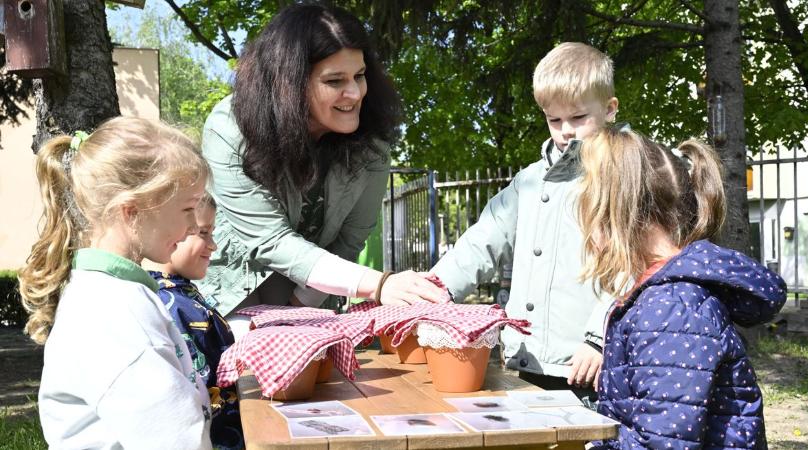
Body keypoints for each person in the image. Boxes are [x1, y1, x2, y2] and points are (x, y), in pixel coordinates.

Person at [198, 3, 448, 335]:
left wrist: (299, 310)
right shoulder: (229, 129)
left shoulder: (372, 146)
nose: (355, 93)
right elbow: (270, 241)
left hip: (313, 305)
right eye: (335, 80)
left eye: (359, 76)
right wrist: (378, 284)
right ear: (289, 84)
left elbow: (350, 239)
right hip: (231, 303)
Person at [577, 128, 786, 449]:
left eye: (591, 215)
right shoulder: (668, 295)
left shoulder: (670, 308)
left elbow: (663, 443)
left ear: (618, 216)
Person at [432, 42, 618, 397]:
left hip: (588, 363)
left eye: (579, 118)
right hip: (525, 358)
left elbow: (633, 266)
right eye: (554, 119)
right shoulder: (529, 181)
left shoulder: (621, 175)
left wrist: (598, 337)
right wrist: (433, 291)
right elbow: (482, 241)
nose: (566, 130)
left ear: (609, 109)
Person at [18, 117, 213, 449]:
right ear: (132, 211)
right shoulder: (116, 310)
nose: (193, 225)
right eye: (187, 209)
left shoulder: (116, 293)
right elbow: (176, 440)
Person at [145, 192, 242, 450]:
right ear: (169, 233)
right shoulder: (171, 306)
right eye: (203, 233)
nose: (213, 245)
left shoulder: (182, 293)